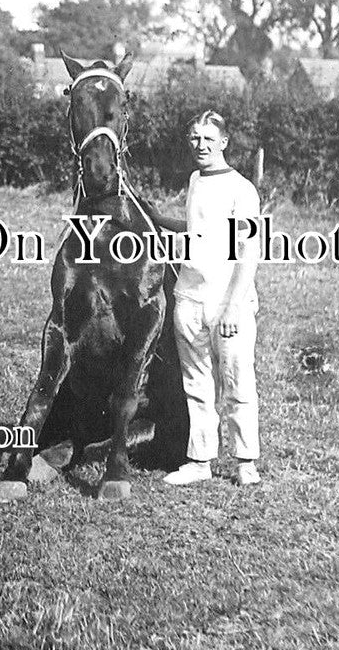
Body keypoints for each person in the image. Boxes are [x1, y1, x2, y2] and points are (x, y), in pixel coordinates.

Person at [145, 110, 262, 487]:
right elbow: (201, 230)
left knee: (237, 382)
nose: (201, 145)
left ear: (224, 142)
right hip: (190, 298)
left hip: (229, 304)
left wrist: (232, 305)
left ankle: (246, 462)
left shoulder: (242, 189)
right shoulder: (195, 180)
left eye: (209, 139)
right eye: (195, 138)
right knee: (196, 384)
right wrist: (161, 219)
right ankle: (199, 460)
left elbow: (248, 250)